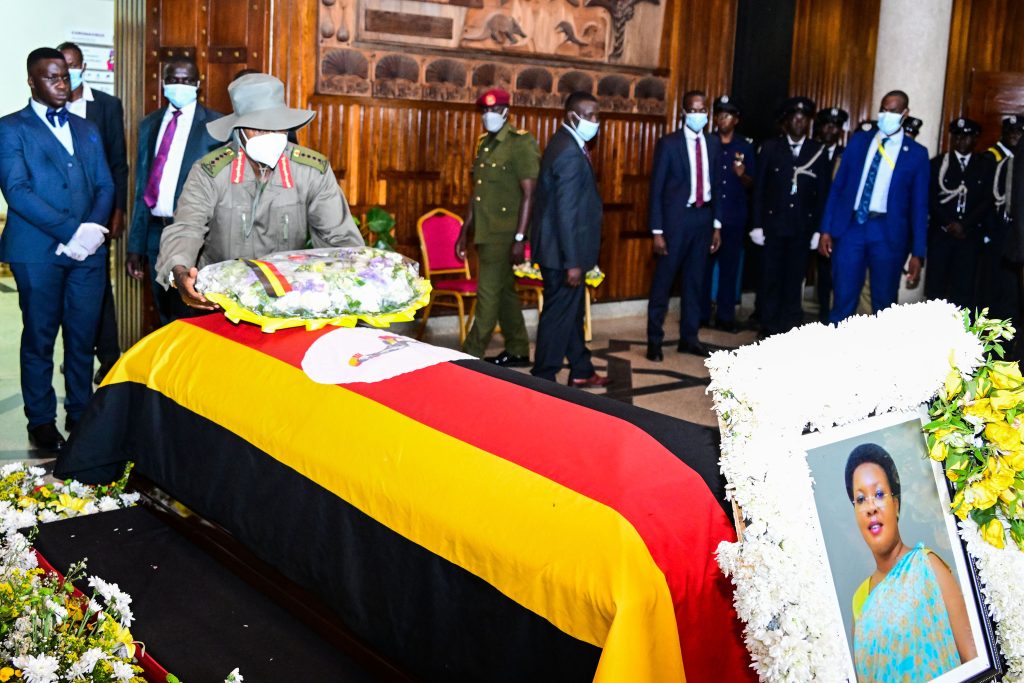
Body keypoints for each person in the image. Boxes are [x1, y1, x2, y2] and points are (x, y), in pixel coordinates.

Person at [154, 73, 363, 310]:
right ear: (239, 130)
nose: (271, 136)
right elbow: (186, 229)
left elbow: (340, 239)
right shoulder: (209, 173)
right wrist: (179, 273)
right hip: (221, 302)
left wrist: (348, 275)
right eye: (260, 129)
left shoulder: (311, 171)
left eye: (277, 127)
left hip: (292, 301)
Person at [0, 47, 114, 452]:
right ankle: (41, 421)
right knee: (40, 338)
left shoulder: (87, 129)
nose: (61, 84)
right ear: (32, 81)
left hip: (89, 254)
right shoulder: (11, 128)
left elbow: (105, 184)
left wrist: (92, 232)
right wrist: (72, 231)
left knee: (83, 338)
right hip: (37, 251)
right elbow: (17, 191)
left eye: (65, 76)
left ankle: (81, 414)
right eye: (51, 77)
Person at [845, 443, 976, 681]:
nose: (871, 507)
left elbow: (977, 661)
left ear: (896, 504)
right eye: (861, 499)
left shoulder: (928, 566)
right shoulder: (859, 601)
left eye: (879, 494)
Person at [126, 56, 223, 325]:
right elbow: (141, 188)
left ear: (197, 84)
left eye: (187, 80)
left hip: (197, 236)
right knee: (164, 313)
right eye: (173, 80)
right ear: (163, 83)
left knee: (195, 313)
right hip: (156, 233)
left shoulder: (217, 127)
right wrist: (135, 245)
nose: (180, 86)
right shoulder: (149, 124)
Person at [818, 90, 929, 322]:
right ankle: (835, 351)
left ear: (905, 114)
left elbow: (919, 207)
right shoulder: (860, 141)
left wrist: (918, 253)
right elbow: (838, 188)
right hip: (852, 228)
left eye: (893, 111)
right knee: (843, 298)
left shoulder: (917, 154)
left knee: (883, 302)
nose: (886, 115)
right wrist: (826, 229)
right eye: (884, 109)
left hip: (887, 233)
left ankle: (878, 355)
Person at [58, 41, 128, 383]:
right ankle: (77, 356)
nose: (68, 72)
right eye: (62, 65)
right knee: (67, 290)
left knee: (100, 289)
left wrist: (117, 210)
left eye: (74, 65)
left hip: (98, 214)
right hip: (61, 220)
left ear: (83, 66)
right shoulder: (47, 107)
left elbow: (118, 162)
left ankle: (109, 356)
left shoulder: (106, 106)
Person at [529, 91, 609, 387]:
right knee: (557, 315)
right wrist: (573, 262)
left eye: (597, 116)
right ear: (571, 116)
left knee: (571, 311)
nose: (594, 121)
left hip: (556, 250)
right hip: (563, 255)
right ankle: (543, 378)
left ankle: (581, 369)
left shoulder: (564, 143)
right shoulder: (569, 153)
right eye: (588, 116)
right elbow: (566, 213)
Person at [454, 88, 539, 366]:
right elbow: (477, 194)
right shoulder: (484, 144)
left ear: (506, 111)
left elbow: (530, 193)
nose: (488, 115)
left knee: (487, 294)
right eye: (485, 111)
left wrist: (519, 238)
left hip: (504, 233)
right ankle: (517, 349)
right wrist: (464, 230)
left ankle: (470, 354)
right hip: (484, 231)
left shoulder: (520, 143)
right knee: (504, 291)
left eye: (494, 110)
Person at [647, 90, 722, 360]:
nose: (698, 115)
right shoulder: (668, 144)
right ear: (684, 113)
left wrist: (717, 225)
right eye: (694, 110)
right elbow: (656, 190)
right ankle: (654, 340)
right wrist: (657, 231)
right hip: (674, 223)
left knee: (694, 282)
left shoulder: (713, 144)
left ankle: (689, 338)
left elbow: (717, 187)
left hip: (703, 219)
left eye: (703, 111)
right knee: (663, 284)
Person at [752, 97, 831, 336]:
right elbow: (759, 190)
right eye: (795, 118)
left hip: (802, 228)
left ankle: (789, 324)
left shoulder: (817, 151)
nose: (799, 122)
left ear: (808, 122)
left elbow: (823, 194)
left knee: (794, 278)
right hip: (773, 226)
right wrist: (756, 225)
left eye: (803, 118)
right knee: (770, 276)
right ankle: (769, 324)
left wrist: (819, 230)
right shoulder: (770, 147)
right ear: (787, 121)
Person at [923, 118, 992, 308]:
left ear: (975, 139)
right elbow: (931, 198)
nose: (961, 141)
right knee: (935, 290)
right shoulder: (937, 164)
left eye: (966, 137)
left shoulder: (985, 165)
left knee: (964, 290)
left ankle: (959, 333)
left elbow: (987, 200)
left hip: (969, 237)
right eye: (957, 136)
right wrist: (948, 223)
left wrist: (964, 225)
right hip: (941, 236)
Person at [700, 95, 753, 333]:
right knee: (701, 267)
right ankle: (700, 313)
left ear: (736, 120)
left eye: (728, 115)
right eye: (720, 114)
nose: (723, 119)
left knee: (730, 267)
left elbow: (753, 183)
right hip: (708, 215)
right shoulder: (707, 142)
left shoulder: (745, 146)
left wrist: (741, 174)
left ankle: (725, 316)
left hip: (734, 215)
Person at [976, 114, 1024, 344]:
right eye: (1010, 132)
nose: (1014, 137)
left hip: (1015, 235)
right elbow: (985, 199)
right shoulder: (991, 158)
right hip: (996, 233)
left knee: (1012, 292)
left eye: (1018, 133)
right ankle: (992, 335)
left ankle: (1011, 334)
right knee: (992, 287)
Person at [813, 107, 849, 322]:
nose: (830, 129)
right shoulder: (810, 150)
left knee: (830, 271)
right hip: (809, 220)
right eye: (826, 124)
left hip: (833, 223)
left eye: (834, 126)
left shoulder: (846, 155)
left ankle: (827, 316)